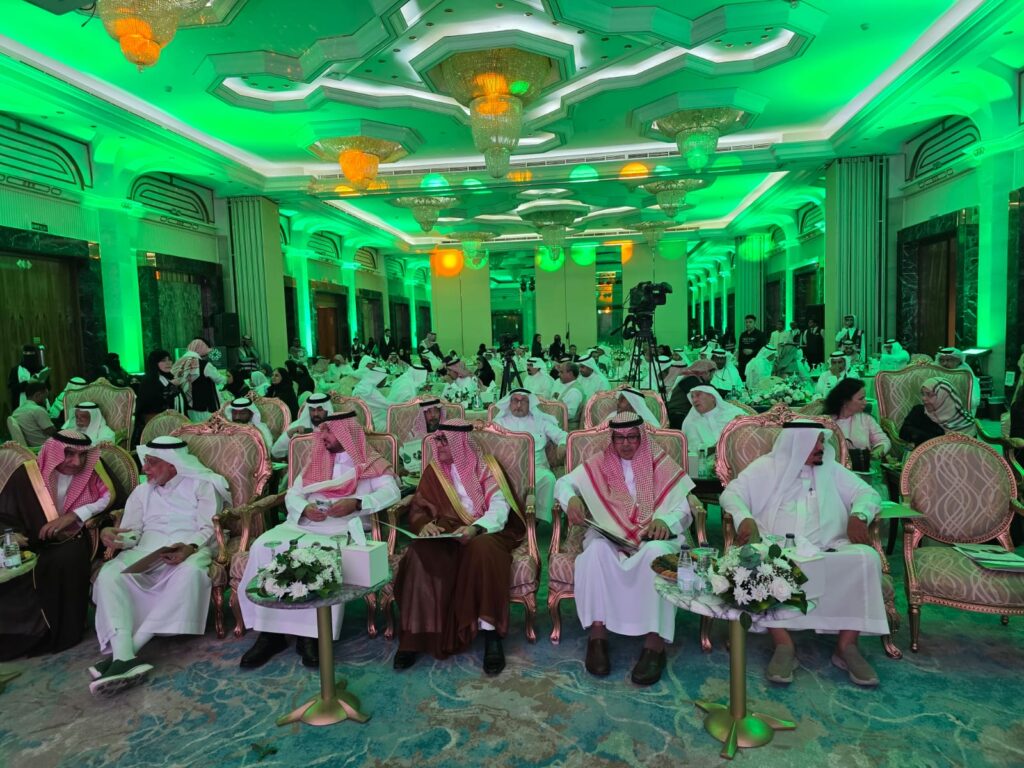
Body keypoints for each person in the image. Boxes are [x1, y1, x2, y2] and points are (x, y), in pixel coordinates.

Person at [720, 424, 887, 687]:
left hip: (828, 547)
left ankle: (847, 645)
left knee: (866, 558)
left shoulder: (831, 468)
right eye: (815, 442)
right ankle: (783, 643)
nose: (822, 447)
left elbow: (867, 493)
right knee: (756, 559)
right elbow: (731, 494)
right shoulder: (767, 467)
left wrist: (860, 514)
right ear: (797, 445)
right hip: (777, 547)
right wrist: (744, 519)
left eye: (822, 441)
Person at [238, 413, 400, 668]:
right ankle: (270, 634)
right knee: (262, 546)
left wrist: (358, 503)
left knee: (321, 553)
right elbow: (293, 493)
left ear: (347, 433)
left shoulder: (368, 462)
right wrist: (304, 508)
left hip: (342, 527)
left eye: (329, 431)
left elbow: (392, 492)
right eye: (322, 431)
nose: (322, 436)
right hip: (304, 524)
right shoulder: (317, 459)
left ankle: (312, 636)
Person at [555, 413, 694, 685]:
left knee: (658, 556)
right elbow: (563, 483)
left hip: (652, 537)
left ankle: (655, 644)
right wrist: (571, 499)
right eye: (620, 438)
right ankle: (597, 636)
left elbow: (684, 506)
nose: (626, 443)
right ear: (612, 439)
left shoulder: (659, 462)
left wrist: (666, 521)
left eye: (632, 437)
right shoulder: (600, 463)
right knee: (594, 554)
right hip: (609, 535)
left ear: (641, 437)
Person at [90, 436, 230, 695]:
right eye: (145, 462)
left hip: (189, 549)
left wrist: (189, 547)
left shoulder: (202, 485)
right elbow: (132, 533)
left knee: (191, 573)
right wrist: (115, 537)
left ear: (173, 464)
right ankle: (124, 656)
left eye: (152, 463)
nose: (145, 469)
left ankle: (127, 652)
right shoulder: (142, 492)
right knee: (109, 574)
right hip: (145, 551)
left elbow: (208, 527)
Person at [392, 420, 525, 674]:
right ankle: (414, 637)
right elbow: (419, 507)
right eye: (438, 440)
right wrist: (425, 526)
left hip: (485, 531)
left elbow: (500, 507)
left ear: (460, 443)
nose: (438, 445)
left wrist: (475, 528)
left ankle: (491, 634)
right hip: (446, 532)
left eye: (444, 441)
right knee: (419, 553)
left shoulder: (487, 467)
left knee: (483, 551)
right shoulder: (434, 471)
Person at [0, 431, 114, 659]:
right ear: (53, 453)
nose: (77, 462)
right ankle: (18, 632)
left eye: (82, 455)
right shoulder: (28, 473)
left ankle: (58, 632)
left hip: (74, 537)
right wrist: (12, 535)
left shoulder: (94, 471)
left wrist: (75, 515)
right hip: (30, 541)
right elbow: (5, 512)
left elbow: (109, 497)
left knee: (64, 559)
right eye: (69, 454)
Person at [492, 390, 567, 524]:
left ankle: (537, 521)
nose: (519, 405)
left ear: (530, 404)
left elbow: (563, 435)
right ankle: (507, 521)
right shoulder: (498, 423)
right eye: (515, 400)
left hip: (537, 469)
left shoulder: (540, 422)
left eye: (523, 401)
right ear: (509, 403)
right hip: (508, 470)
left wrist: (562, 444)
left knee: (548, 479)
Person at [899, 377, 977, 447]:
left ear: (944, 397)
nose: (924, 398)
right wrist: (938, 439)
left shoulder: (966, 422)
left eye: (929, 395)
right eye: (923, 394)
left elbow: (970, 451)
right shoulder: (919, 411)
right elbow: (903, 433)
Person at [825, 378, 890, 457]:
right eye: (861, 399)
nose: (865, 402)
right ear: (845, 401)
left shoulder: (866, 419)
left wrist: (878, 450)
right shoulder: (826, 422)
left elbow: (883, 440)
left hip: (862, 463)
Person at [171, 339, 226, 422]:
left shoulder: (179, 363)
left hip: (186, 406)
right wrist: (227, 378)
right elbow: (219, 379)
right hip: (204, 407)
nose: (207, 355)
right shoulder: (204, 365)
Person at [682, 385, 745, 454]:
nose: (694, 400)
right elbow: (693, 449)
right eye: (692, 397)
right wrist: (713, 448)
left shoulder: (733, 413)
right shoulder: (690, 422)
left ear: (712, 397)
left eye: (698, 395)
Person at [271, 392, 333, 460]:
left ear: (327, 410)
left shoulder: (335, 428)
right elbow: (275, 452)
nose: (315, 414)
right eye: (312, 410)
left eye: (320, 410)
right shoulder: (297, 426)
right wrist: (289, 434)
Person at [665, 360, 717, 429]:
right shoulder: (690, 379)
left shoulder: (696, 379)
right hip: (678, 416)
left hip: (685, 415)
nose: (712, 377)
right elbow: (704, 392)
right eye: (712, 374)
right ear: (705, 372)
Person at [398, 399, 446, 474]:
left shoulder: (447, 434)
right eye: (429, 411)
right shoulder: (412, 435)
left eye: (436, 411)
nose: (433, 415)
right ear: (422, 414)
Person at [937, 347, 981, 413]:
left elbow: (973, 401)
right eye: (942, 360)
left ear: (958, 361)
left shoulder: (965, 373)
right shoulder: (938, 371)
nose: (944, 363)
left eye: (948, 360)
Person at [11, 381, 54, 447]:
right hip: (45, 447)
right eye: (45, 398)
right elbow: (53, 433)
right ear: (37, 395)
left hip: (29, 449)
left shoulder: (16, 411)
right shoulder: (37, 410)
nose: (45, 402)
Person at [8, 344, 48, 408]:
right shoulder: (16, 370)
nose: (29, 357)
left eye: (31, 354)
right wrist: (27, 383)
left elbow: (48, 387)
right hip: (22, 406)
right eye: (26, 353)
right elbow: (13, 389)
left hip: (40, 405)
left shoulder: (42, 369)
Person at [352, 364, 390, 431]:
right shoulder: (370, 392)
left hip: (363, 421)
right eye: (384, 379)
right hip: (376, 423)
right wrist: (405, 404)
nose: (385, 382)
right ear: (379, 378)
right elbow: (389, 405)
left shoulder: (360, 386)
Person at [556, 361, 586, 426]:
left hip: (567, 428)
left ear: (570, 374)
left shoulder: (574, 391)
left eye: (561, 372)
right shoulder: (567, 385)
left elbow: (569, 414)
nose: (559, 374)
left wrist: (551, 413)